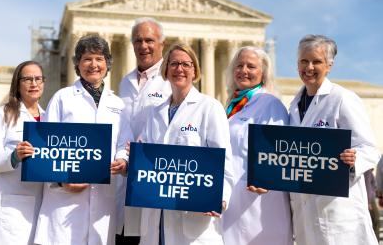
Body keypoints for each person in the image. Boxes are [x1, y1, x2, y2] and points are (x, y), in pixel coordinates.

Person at [34, 35, 132, 245]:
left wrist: (122, 160)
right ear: (78, 64)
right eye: (87, 59)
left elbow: (124, 144)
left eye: (99, 58)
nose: (94, 65)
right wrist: (61, 180)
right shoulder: (62, 98)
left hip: (103, 205)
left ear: (107, 63)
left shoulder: (119, 105)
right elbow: (45, 148)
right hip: (64, 202)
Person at [138, 43, 234, 245]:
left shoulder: (210, 108)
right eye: (173, 64)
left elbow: (223, 162)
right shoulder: (155, 114)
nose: (179, 69)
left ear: (195, 70)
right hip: (157, 220)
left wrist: (219, 197)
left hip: (194, 221)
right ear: (166, 70)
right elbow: (146, 163)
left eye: (185, 64)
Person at [289, 34, 380, 244]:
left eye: (316, 61)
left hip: (339, 209)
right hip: (305, 210)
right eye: (304, 61)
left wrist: (353, 159)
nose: (309, 67)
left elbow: (367, 147)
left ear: (329, 65)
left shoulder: (342, 98)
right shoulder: (293, 106)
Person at [222, 46, 293, 245]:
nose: (244, 70)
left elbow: (279, 151)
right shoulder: (232, 105)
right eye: (239, 65)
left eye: (251, 66)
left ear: (263, 73)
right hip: (233, 203)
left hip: (259, 204)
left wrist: (267, 179)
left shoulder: (271, 104)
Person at [116, 17, 171, 244]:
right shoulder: (124, 82)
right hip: (122, 175)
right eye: (138, 40)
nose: (143, 46)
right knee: (123, 233)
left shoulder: (170, 82)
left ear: (162, 44)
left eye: (149, 40)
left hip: (152, 177)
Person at [0, 61, 46, 244]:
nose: (34, 83)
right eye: (27, 79)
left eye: (38, 79)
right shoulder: (4, 114)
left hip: (40, 209)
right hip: (8, 211)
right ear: (17, 83)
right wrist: (13, 157)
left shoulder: (49, 119)